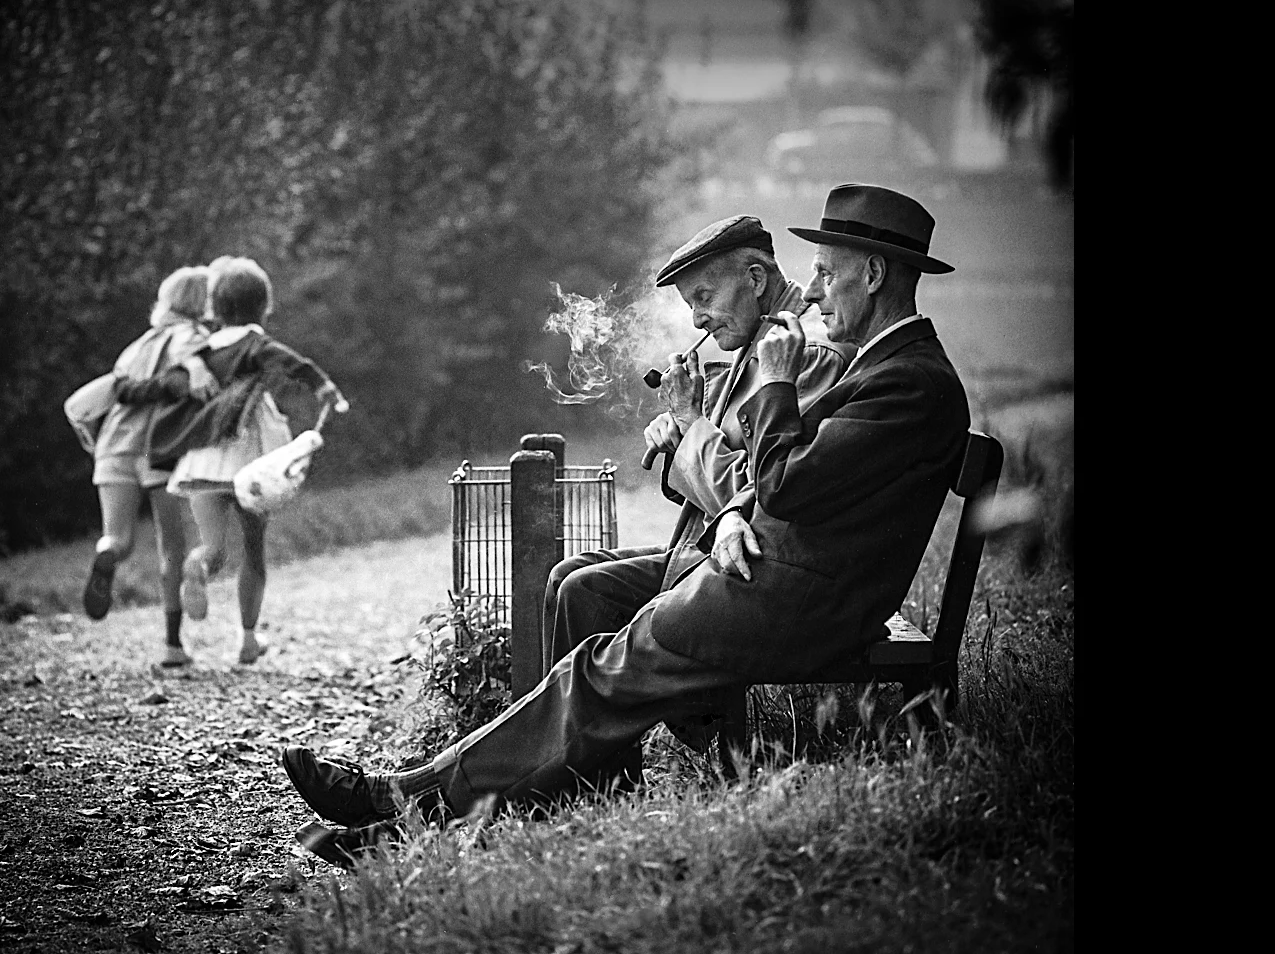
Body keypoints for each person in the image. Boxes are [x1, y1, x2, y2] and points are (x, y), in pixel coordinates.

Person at [279, 184, 971, 862]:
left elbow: (782, 482)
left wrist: (772, 389)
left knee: (600, 667)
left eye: (825, 272)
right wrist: (730, 509)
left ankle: (403, 805)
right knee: (590, 634)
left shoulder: (905, 380)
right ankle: (441, 805)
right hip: (777, 570)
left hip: (802, 597)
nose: (813, 291)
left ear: (873, 274)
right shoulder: (890, 369)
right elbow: (787, 480)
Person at [536, 215, 849, 792]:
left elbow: (763, 491)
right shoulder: (755, 345)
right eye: (690, 305)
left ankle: (590, 785)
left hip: (753, 569)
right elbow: (720, 464)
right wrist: (682, 434)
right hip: (716, 553)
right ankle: (577, 772)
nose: (698, 318)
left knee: (584, 590)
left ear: (755, 278)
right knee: (568, 574)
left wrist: (690, 423)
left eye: (705, 297)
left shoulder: (801, 357)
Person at [163, 256, 348, 666]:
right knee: (253, 551)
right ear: (263, 305)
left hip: (205, 462)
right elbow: (293, 364)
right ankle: (248, 638)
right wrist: (325, 388)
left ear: (215, 307)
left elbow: (171, 386)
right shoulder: (255, 344)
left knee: (213, 546)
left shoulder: (202, 351)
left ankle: (197, 564)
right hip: (252, 464)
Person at [82, 266, 215, 672]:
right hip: (160, 452)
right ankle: (173, 646)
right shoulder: (193, 337)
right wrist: (195, 370)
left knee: (117, 538)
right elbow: (191, 365)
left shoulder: (135, 347)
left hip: (113, 448)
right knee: (171, 548)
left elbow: (117, 389)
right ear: (201, 301)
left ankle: (105, 555)